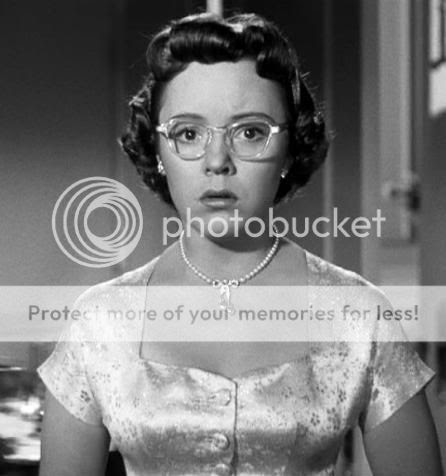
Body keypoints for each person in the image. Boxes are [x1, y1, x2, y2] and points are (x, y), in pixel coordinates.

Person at [37, 13, 443, 476]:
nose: (217, 161)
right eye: (188, 134)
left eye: (250, 132)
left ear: (290, 149)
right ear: (158, 151)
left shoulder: (359, 316)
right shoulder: (99, 323)